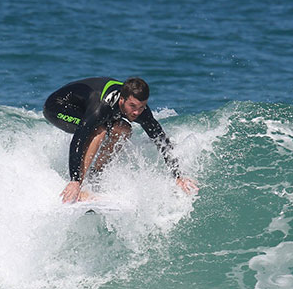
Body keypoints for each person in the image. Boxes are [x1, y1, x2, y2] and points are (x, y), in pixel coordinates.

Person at [43, 76, 199, 203]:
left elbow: (160, 138)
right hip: (58, 107)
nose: (137, 112)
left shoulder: (140, 110)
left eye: (142, 106)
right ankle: (81, 187)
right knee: (99, 129)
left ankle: (94, 176)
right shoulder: (101, 107)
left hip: (85, 106)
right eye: (133, 106)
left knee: (124, 129)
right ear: (122, 100)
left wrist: (178, 175)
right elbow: (79, 139)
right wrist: (74, 180)